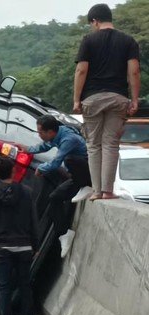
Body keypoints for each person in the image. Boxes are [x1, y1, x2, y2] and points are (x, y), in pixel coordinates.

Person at [73, 3, 141, 200]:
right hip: (118, 97)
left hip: (92, 99)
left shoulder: (88, 40)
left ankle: (96, 191)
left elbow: (81, 70)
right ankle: (108, 191)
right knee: (111, 144)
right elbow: (134, 72)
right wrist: (134, 99)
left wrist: (77, 99)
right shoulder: (128, 41)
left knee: (94, 145)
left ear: (95, 21)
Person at [16, 115, 90, 257]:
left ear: (50, 132)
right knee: (54, 197)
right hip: (76, 176)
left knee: (69, 160)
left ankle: (87, 186)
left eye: (40, 132)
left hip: (87, 172)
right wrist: (27, 149)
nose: (39, 135)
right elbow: (44, 146)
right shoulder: (57, 134)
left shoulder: (68, 139)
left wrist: (41, 168)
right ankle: (64, 234)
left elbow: (56, 162)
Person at [0, 156, 38, 315]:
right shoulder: (27, 192)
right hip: (24, 246)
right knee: (25, 286)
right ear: (13, 170)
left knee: (5, 288)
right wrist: (35, 246)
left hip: (3, 247)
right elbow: (33, 221)